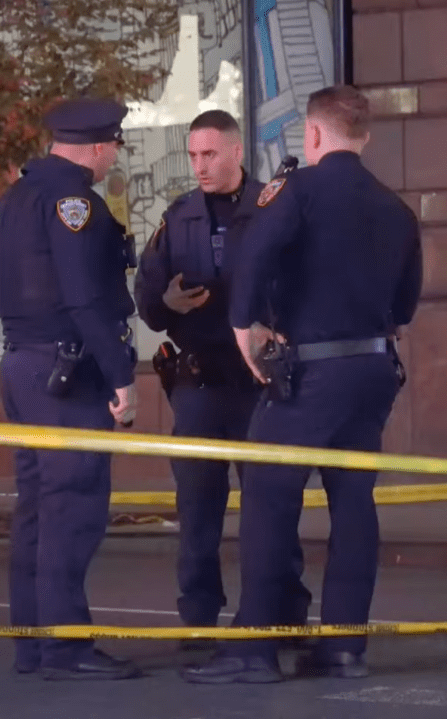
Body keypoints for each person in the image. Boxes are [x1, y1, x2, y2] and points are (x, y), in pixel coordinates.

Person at [182, 84, 422, 685]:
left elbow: (254, 256)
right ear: (364, 135)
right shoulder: (395, 208)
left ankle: (253, 650)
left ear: (312, 134)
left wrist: (245, 329)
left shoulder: (297, 190)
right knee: (354, 502)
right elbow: (405, 305)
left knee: (268, 496)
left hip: (310, 371)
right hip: (373, 369)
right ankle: (343, 648)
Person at [133, 109, 311, 645]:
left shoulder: (272, 207)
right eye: (193, 155)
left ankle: (283, 615)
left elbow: (302, 284)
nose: (200, 165)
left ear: (236, 151)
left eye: (209, 154)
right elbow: (147, 298)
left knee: (272, 505)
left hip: (259, 385)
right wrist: (165, 304)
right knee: (197, 511)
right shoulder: (179, 216)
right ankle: (199, 621)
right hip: (199, 384)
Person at [0, 96, 140, 681]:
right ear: (98, 146)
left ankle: (33, 643)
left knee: (36, 509)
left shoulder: (12, 200)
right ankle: (67, 649)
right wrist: (121, 375)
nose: (113, 158)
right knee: (71, 511)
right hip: (66, 375)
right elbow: (83, 297)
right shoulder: (73, 203)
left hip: (23, 366)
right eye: (114, 147)